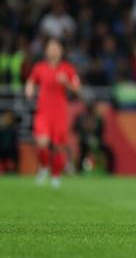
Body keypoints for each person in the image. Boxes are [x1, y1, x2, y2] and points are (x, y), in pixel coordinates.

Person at [25, 38, 81, 188]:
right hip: (43, 112)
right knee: (41, 143)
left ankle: (56, 176)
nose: (53, 50)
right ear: (46, 51)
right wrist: (29, 88)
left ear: (61, 51)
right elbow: (31, 81)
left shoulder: (68, 69)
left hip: (60, 113)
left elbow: (77, 89)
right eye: (51, 48)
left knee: (58, 146)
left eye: (56, 48)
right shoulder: (39, 68)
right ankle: (44, 167)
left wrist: (66, 83)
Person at [74, 101, 114, 174]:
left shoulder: (98, 118)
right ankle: (79, 171)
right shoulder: (81, 117)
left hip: (96, 141)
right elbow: (75, 129)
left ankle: (109, 171)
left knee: (109, 152)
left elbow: (101, 131)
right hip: (84, 141)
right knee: (83, 153)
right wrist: (83, 137)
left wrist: (96, 139)